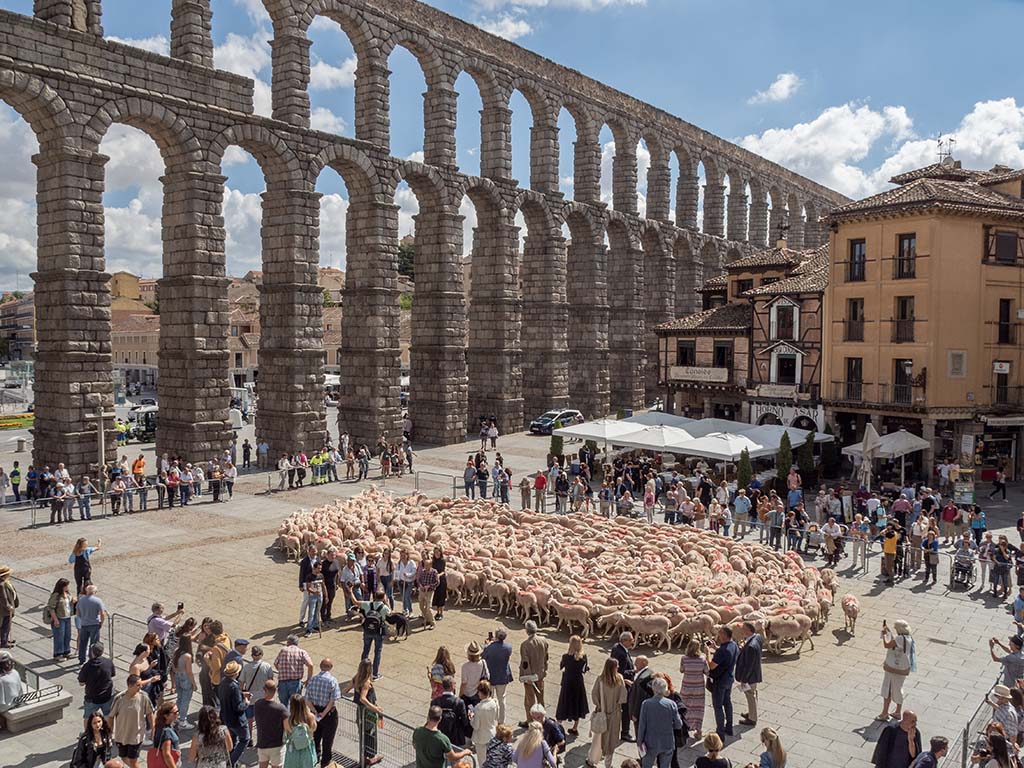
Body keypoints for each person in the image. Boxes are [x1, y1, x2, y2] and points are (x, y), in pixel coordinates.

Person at [585, 657, 627, 768]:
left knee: (598, 739)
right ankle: (608, 764)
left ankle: (591, 760)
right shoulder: (620, 679)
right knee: (611, 740)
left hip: (601, 714)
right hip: (615, 715)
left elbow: (594, 695)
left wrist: (599, 705)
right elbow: (623, 697)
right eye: (617, 665)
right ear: (613, 667)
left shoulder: (600, 680)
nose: (618, 667)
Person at [107, 674, 155, 768]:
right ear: (129, 685)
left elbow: (150, 713)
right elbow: (111, 716)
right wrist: (109, 732)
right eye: (138, 685)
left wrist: (153, 728)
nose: (141, 687)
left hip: (136, 735)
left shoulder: (143, 696)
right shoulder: (119, 698)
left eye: (141, 684)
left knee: (133, 760)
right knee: (124, 757)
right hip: (121, 735)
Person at [341, 659, 384, 766]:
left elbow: (345, 691)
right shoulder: (366, 682)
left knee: (363, 733)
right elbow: (363, 699)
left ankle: (364, 756)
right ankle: (371, 756)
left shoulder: (356, 678)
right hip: (368, 713)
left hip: (359, 711)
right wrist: (375, 708)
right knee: (371, 734)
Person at [636, 676, 681, 768]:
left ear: (653, 689)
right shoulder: (671, 704)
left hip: (650, 743)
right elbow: (678, 724)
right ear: (665, 690)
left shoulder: (646, 704)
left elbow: (642, 725)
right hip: (667, 742)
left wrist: (639, 741)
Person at [305, 658, 341, 768]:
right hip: (328, 714)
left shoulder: (312, 680)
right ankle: (325, 762)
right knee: (328, 739)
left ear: (320, 666)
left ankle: (315, 757)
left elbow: (307, 699)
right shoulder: (332, 681)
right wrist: (324, 713)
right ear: (330, 667)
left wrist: (315, 711)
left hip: (314, 711)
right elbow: (332, 700)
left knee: (315, 736)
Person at [877, 620, 915, 721]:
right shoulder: (907, 638)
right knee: (898, 688)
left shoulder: (900, 638)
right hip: (903, 666)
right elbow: (896, 643)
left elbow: (888, 645)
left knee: (887, 689)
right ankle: (898, 711)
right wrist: (889, 631)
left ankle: (885, 713)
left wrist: (885, 635)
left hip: (893, 667)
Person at [707, 626, 738, 740]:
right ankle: (729, 727)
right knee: (727, 702)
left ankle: (720, 733)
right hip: (729, 679)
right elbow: (726, 656)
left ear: (724, 635)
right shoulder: (733, 645)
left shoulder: (722, 651)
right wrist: (716, 648)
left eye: (720, 633)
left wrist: (708, 653)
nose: (718, 636)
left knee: (718, 706)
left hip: (720, 681)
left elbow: (711, 665)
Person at [554, 634, 589, 733]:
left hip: (567, 681)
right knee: (576, 703)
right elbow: (584, 669)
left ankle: (559, 723)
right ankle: (575, 727)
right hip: (578, 682)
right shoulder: (583, 657)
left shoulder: (566, 656)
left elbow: (561, 666)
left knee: (564, 701)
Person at [218, 660, 249, 766]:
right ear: (236, 673)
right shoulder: (234, 686)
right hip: (237, 720)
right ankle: (231, 763)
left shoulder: (223, 682)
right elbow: (238, 707)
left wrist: (241, 694)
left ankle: (232, 762)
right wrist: (246, 702)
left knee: (232, 741)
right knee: (245, 739)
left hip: (226, 718)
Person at [519, 620, 550, 726]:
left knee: (529, 700)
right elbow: (546, 657)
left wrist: (527, 676)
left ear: (527, 631)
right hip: (540, 674)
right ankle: (542, 719)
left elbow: (525, 663)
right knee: (541, 698)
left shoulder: (525, 645)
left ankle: (530, 720)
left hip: (530, 676)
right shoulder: (544, 640)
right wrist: (545, 669)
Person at [254, 680, 288, 768]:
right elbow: (287, 727)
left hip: (262, 743)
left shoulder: (257, 704)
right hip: (276, 745)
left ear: (264, 690)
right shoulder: (281, 708)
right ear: (276, 690)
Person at [734, 621, 763, 727]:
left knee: (750, 695)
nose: (742, 631)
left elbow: (749, 665)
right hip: (755, 672)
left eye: (743, 629)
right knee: (753, 693)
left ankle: (752, 718)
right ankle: (752, 713)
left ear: (748, 630)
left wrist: (744, 679)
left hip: (750, 676)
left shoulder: (751, 646)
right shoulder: (758, 637)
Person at [482, 628, 513, 724]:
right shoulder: (508, 647)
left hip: (491, 676)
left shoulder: (489, 647)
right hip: (503, 676)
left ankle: (490, 719)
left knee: (489, 699)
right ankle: (501, 721)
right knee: (502, 699)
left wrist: (487, 644)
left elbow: (483, 656)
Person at [357, 588, 389, 679]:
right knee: (377, 652)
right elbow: (389, 615)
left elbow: (355, 601)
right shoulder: (384, 607)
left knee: (366, 650)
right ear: (383, 598)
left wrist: (351, 591)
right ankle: (375, 674)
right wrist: (387, 603)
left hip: (367, 630)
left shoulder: (367, 604)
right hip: (378, 631)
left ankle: (362, 672)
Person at [80, 642, 117, 722]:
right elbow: (112, 675)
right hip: (107, 696)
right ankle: (109, 733)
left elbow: (81, 683)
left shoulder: (87, 666)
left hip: (92, 697)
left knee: (88, 718)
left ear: (92, 652)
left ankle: (88, 733)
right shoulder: (108, 662)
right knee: (108, 716)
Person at [432, 675, 472, 747]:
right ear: (452, 686)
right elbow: (465, 722)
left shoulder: (435, 701)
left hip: (439, 735)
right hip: (455, 737)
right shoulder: (459, 702)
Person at [610, 632, 636, 741]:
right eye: (630, 640)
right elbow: (621, 672)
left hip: (619, 685)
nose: (632, 641)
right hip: (624, 686)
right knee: (626, 710)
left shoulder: (617, 647)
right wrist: (633, 671)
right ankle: (625, 733)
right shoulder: (621, 654)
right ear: (624, 641)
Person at [274, 635, 313, 706]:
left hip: (282, 682)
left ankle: (285, 716)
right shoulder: (302, 652)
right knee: (295, 705)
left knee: (283, 704)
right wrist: (308, 679)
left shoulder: (283, 650)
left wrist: (281, 671)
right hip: (295, 683)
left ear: (288, 642)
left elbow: (276, 663)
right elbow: (310, 665)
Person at [283, 695, 317, 768]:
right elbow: (313, 730)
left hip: (293, 750)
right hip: (306, 749)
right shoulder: (310, 717)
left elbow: (286, 734)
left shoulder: (288, 720)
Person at [76, 585, 106, 664]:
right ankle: (92, 658)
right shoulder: (98, 601)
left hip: (84, 624)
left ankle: (81, 658)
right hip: (94, 624)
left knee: (83, 642)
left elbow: (78, 613)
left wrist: (84, 617)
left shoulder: (81, 600)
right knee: (94, 643)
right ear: (95, 592)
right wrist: (101, 623)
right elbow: (102, 614)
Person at [172, 632, 196, 729]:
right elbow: (189, 672)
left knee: (180, 698)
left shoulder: (176, 651)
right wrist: (194, 684)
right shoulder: (187, 656)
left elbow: (173, 666)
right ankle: (183, 721)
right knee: (186, 700)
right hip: (185, 677)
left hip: (177, 675)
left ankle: (177, 717)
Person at [46, 577, 73, 660]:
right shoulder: (56, 595)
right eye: (66, 586)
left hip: (67, 618)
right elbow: (51, 608)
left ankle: (66, 651)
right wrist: (55, 619)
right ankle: (58, 654)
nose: (67, 587)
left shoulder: (67, 594)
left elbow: (71, 600)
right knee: (59, 637)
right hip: (59, 618)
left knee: (67, 636)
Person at [474, 680, 500, 765]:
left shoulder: (479, 707)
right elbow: (496, 717)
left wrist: (471, 718)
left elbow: (476, 726)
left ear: (481, 692)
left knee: (482, 762)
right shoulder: (494, 703)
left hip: (481, 737)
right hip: (492, 734)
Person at [459, 640, 488, 707]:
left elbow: (464, 683)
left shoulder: (465, 666)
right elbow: (488, 676)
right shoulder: (483, 663)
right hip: (477, 692)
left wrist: (460, 695)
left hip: (466, 693)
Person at [152, 701, 181, 768]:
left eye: (177, 711)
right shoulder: (166, 732)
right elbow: (167, 754)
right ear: (166, 716)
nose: (177, 714)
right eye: (174, 713)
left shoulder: (160, 725)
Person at [415, 555, 440, 630]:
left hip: (429, 592)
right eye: (425, 565)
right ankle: (427, 619)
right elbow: (419, 580)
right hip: (422, 591)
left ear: (430, 565)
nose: (425, 566)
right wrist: (421, 585)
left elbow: (437, 582)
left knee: (428, 608)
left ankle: (432, 622)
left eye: (427, 565)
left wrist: (429, 586)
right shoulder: (423, 571)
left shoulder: (434, 572)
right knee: (421, 606)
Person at [0, 566, 17, 648]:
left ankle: (5, 639)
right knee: (5, 625)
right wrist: (8, 606)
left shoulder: (5, 582)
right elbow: (3, 598)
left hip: (9, 607)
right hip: (5, 610)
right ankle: (4, 641)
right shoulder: (2, 585)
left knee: (7, 624)